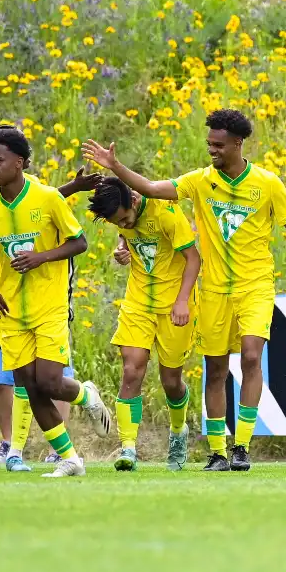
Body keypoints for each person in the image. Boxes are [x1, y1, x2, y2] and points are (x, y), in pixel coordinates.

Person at [83, 108, 286, 473]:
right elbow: (151, 189)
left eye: (219, 145)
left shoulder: (268, 184)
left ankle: (242, 447)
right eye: (209, 145)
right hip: (214, 291)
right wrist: (116, 166)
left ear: (238, 143)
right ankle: (218, 452)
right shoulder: (200, 181)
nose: (213, 151)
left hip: (256, 284)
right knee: (215, 369)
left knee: (252, 357)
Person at [0, 128, 111, 478]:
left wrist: (41, 257)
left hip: (49, 305)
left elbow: (79, 243)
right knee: (29, 387)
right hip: (10, 310)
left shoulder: (48, 198)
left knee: (48, 381)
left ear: (20, 163)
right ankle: (71, 460)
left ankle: (85, 395)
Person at [88, 177, 201, 471]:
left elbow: (193, 259)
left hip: (173, 305)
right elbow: (127, 236)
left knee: (171, 381)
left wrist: (182, 301)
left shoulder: (166, 214)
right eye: (117, 224)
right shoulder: (123, 215)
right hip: (138, 303)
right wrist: (121, 249)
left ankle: (178, 432)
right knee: (131, 369)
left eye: (124, 219)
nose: (122, 225)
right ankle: (128, 448)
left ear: (135, 201)